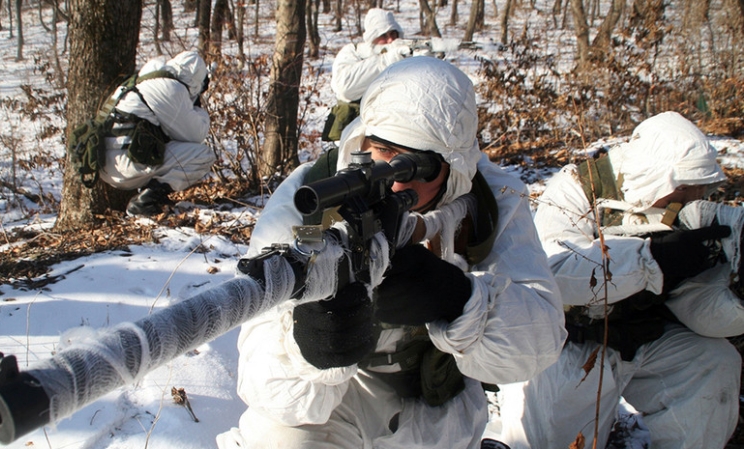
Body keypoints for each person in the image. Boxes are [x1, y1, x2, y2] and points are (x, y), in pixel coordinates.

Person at [216, 57, 566, 448]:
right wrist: (313, 348)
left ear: (456, 167)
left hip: (435, 404)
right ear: (362, 142)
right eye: (383, 150)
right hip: (333, 406)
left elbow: (543, 340)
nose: (398, 185)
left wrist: (459, 298)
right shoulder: (312, 196)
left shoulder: (492, 201)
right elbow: (260, 378)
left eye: (420, 167)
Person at [488, 111, 743, 449]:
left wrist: (736, 295)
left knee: (713, 365)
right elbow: (556, 271)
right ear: (660, 178)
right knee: (545, 442)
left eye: (696, 190)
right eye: (683, 189)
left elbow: (697, 306)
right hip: (571, 344)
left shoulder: (687, 206)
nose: (689, 199)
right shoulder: (579, 188)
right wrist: (651, 260)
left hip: (646, 336)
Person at [99, 50, 215, 216]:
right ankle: (145, 201)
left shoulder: (142, 80)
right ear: (195, 80)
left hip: (107, 164)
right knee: (203, 155)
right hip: (126, 166)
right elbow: (196, 135)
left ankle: (146, 195)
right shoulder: (171, 88)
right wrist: (197, 108)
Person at [322, 8, 415, 142]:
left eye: (393, 34)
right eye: (383, 35)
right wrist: (386, 61)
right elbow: (345, 88)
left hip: (393, 131)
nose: (390, 40)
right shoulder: (353, 52)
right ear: (372, 37)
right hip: (354, 135)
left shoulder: (401, 55)